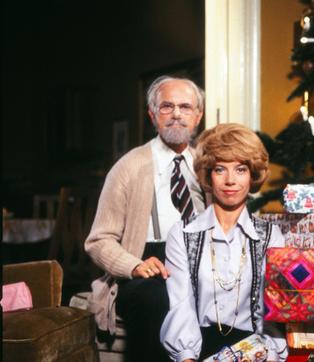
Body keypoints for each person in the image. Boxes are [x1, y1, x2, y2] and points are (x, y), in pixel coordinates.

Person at [85, 75, 206, 361]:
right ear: (152, 115)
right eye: (167, 106)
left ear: (198, 115)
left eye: (186, 107)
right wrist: (135, 265)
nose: (177, 114)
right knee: (157, 301)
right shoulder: (129, 166)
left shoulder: (207, 163)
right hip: (148, 262)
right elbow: (98, 240)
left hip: (199, 262)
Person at [160, 123, 288, 362]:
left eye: (240, 170)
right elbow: (180, 305)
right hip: (200, 348)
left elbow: (272, 314)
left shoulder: (271, 236)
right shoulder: (183, 234)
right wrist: (187, 358)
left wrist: (267, 353)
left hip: (255, 348)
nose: (230, 180)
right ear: (208, 174)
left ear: (253, 176)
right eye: (220, 169)